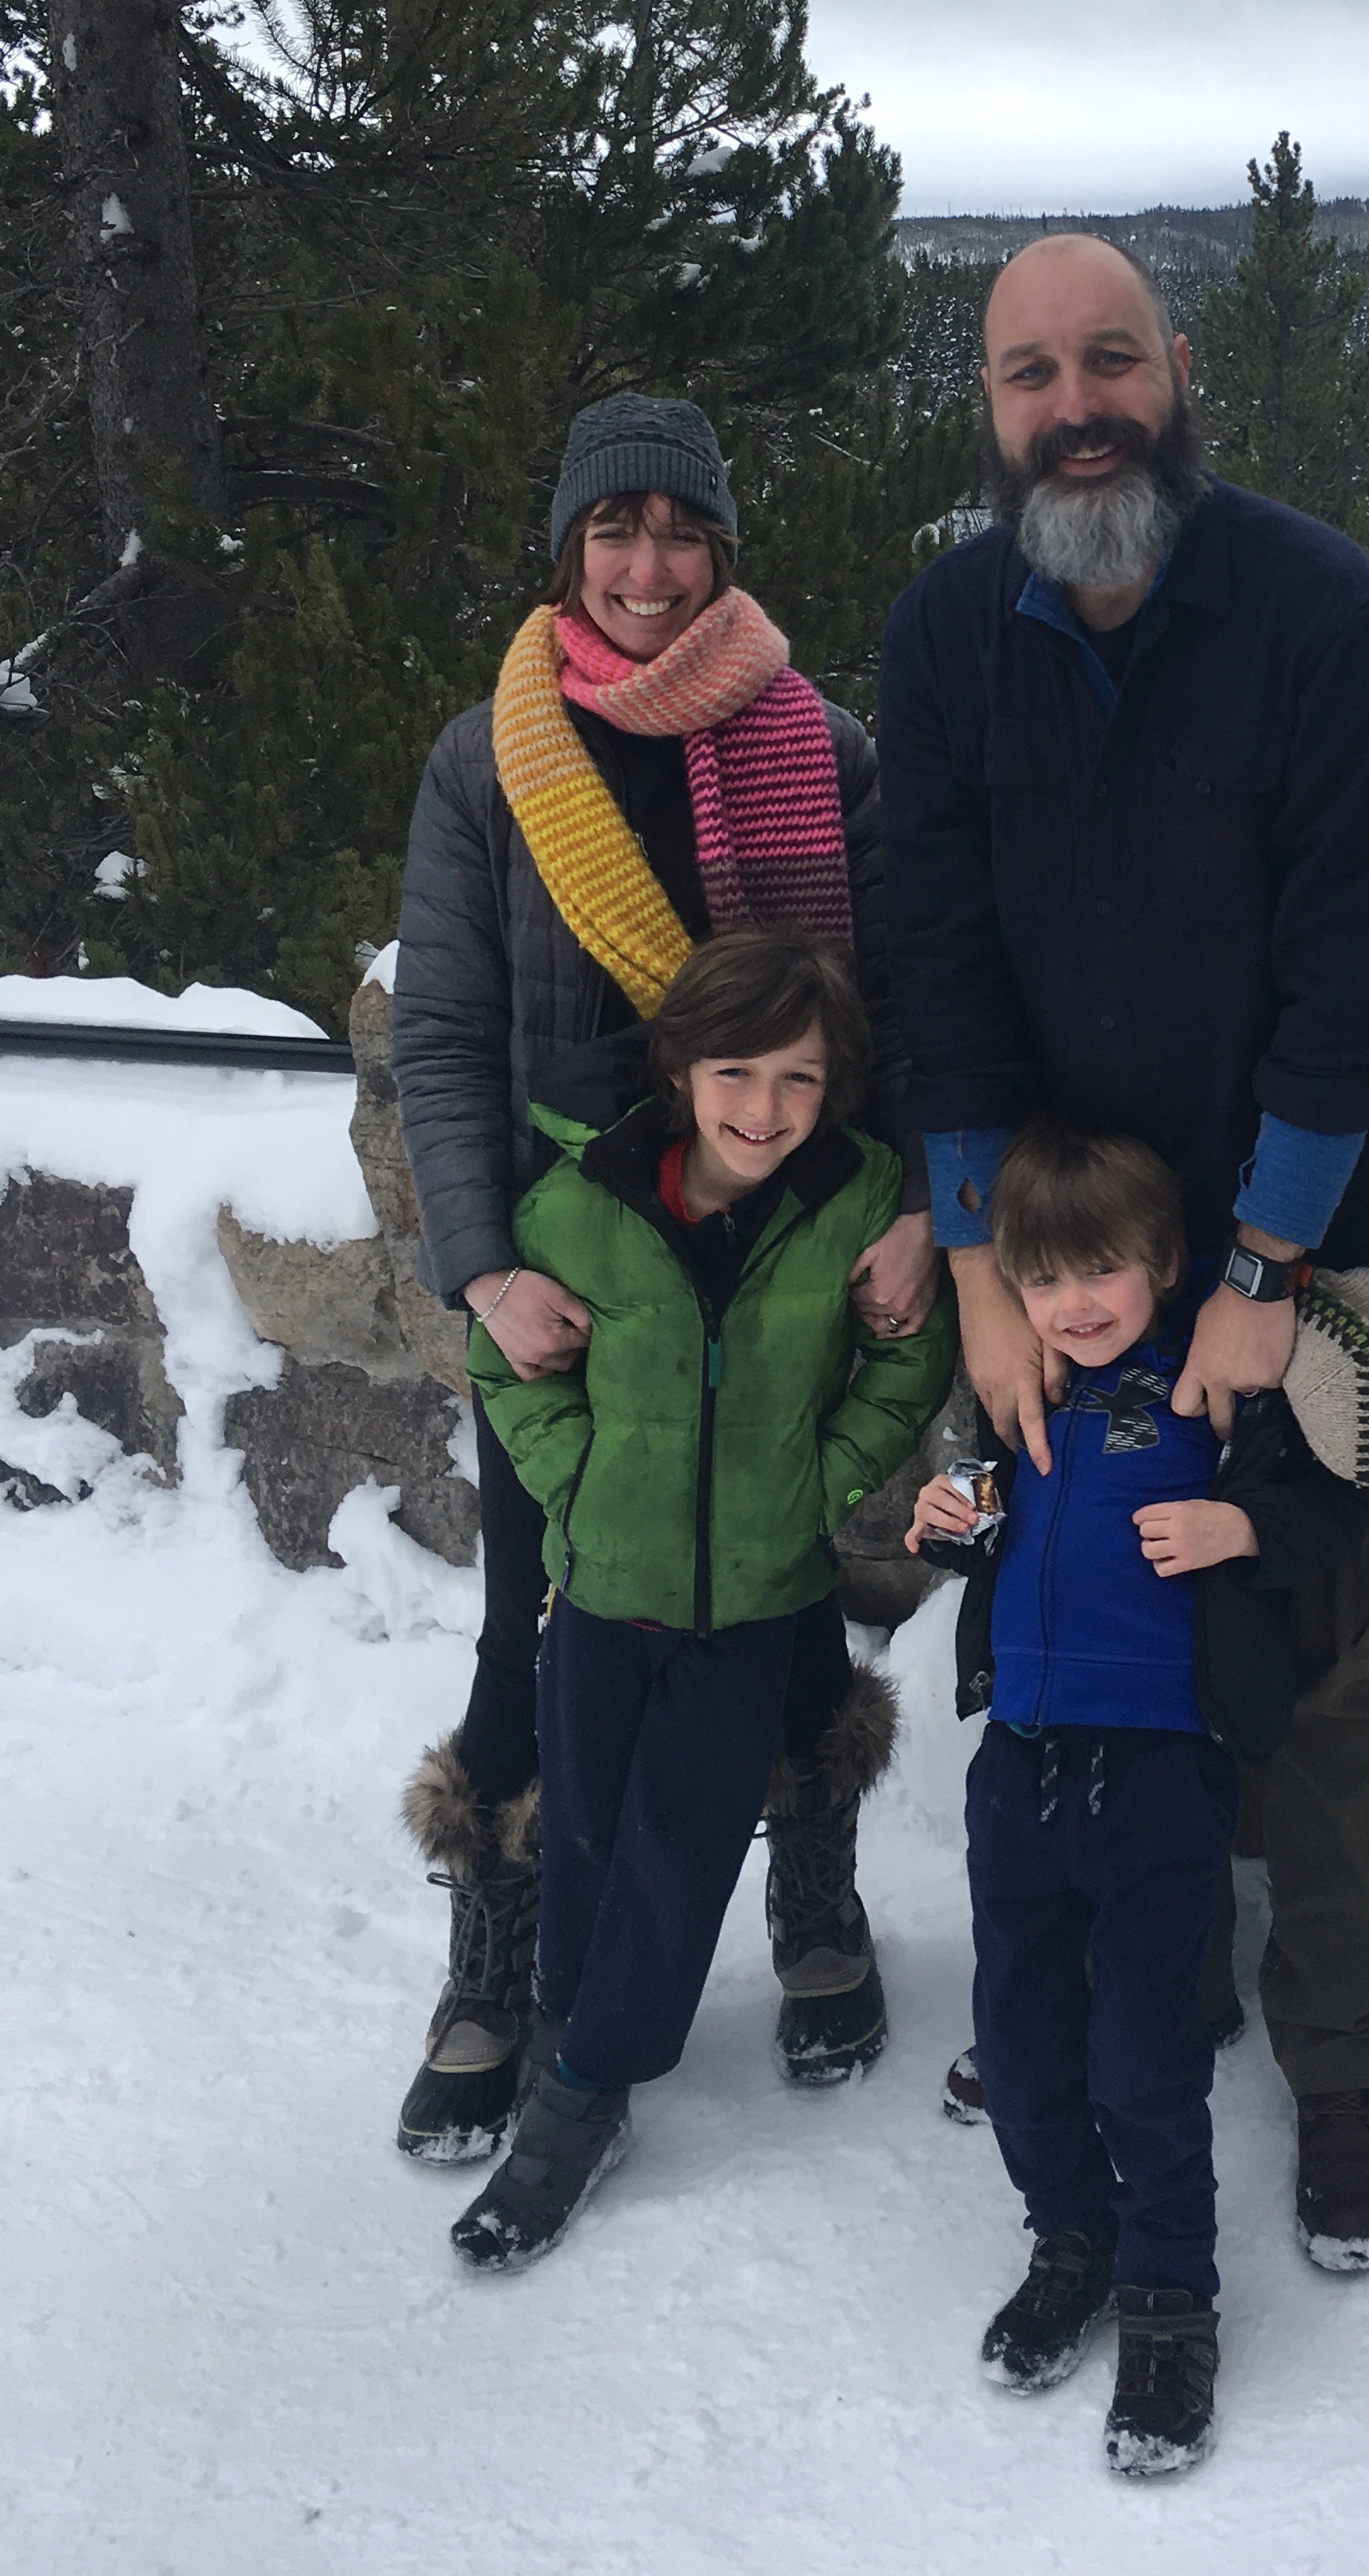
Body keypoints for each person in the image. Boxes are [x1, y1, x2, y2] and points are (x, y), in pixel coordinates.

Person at [877, 236, 1369, 2269]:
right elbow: (935, 970)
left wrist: (1267, 1268)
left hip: (1320, 1242)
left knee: (1327, 1666)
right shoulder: (949, 639)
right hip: (1063, 1263)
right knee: (1093, 1621)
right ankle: (1154, 1982)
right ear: (994, 404)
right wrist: (974, 1273)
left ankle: (1344, 2056)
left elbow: (1356, 978)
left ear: (1178, 368)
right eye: (1032, 373)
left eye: (1110, 358)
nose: (1077, 404)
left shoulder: (1316, 614)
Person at [390, 394, 941, 2159]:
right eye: (613, 532)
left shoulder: (821, 748)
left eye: (679, 532)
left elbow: (905, 1015)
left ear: (723, 550)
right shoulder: (496, 754)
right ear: (570, 549)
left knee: (776, 1576)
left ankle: (811, 1894)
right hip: (574, 1255)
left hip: (777, 1228)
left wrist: (914, 1204)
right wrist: (480, 1268)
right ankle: (507, 1945)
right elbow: (450, 1035)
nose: (647, 566)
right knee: (530, 1607)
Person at [449, 928, 956, 2268]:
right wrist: (579, 1486)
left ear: (834, 1080)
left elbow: (908, 1369)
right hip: (602, 1598)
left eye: (799, 1077)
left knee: (675, 1848)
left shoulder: (851, 1202)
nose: (765, 1108)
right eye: (735, 1070)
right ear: (677, 1070)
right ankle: (569, 2025)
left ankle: (578, 2099)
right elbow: (508, 1369)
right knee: (586, 1837)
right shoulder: (580, 1207)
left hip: (751, 1606)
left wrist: (815, 1485)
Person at [906, 1121, 1368, 2473]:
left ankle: (1171, 2302)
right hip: (1022, 1767)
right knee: (1025, 2041)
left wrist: (1236, 1527)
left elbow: (1331, 1508)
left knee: (1143, 2064)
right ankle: (1072, 2240)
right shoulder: (1026, 1388)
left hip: (1161, 1771)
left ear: (1169, 1265)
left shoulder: (1208, 1389)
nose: (1076, 1303)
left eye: (1104, 1270)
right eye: (1045, 1281)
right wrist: (956, 1517)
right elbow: (1000, 1513)